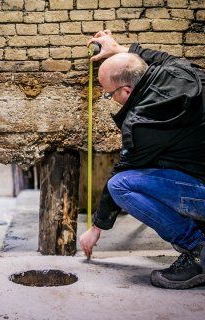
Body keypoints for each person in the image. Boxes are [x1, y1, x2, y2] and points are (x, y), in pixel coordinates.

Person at [80, 30, 205, 290]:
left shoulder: (143, 122)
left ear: (126, 90)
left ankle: (198, 250)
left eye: (109, 94)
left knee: (121, 185)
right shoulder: (181, 70)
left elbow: (122, 171)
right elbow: (157, 58)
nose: (111, 99)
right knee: (159, 165)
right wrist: (119, 48)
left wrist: (97, 226)